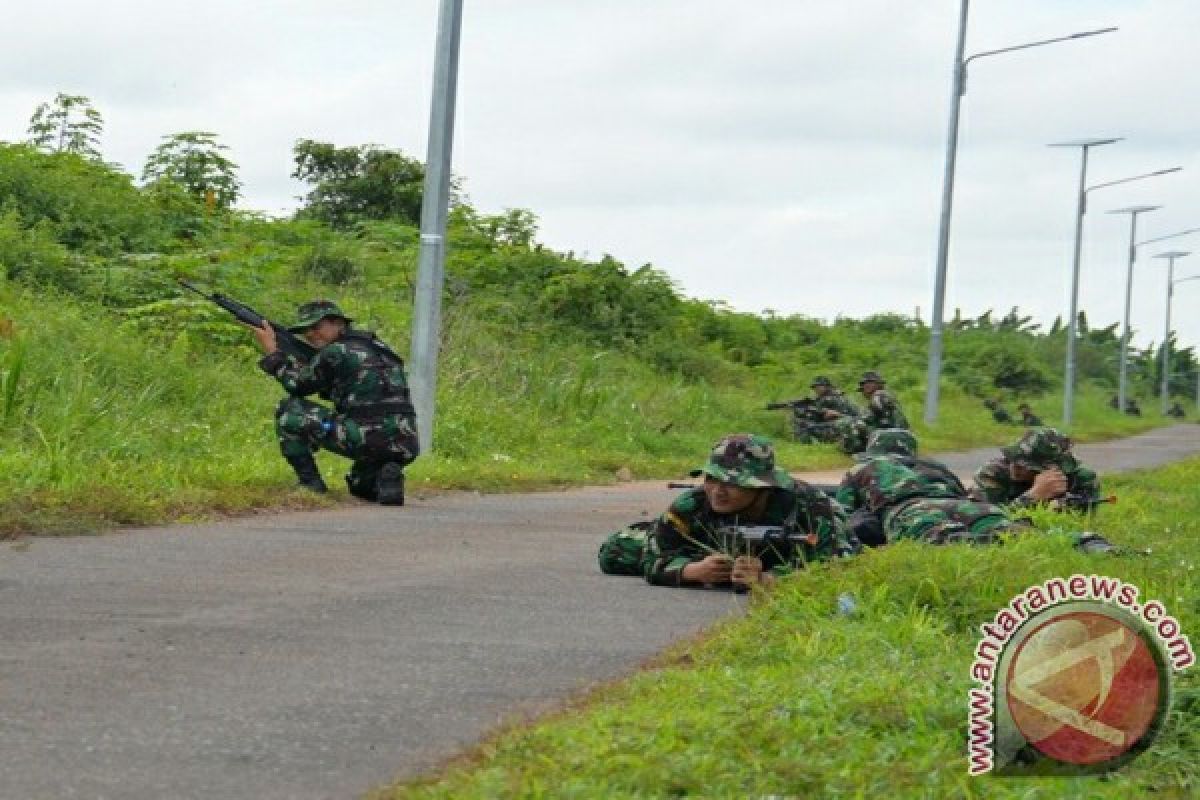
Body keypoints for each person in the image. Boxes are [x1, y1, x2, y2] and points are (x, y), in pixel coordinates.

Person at [246, 299, 419, 505]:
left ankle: (310, 484)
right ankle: (387, 474)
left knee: (289, 410)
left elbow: (297, 386)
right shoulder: (378, 347)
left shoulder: (335, 351)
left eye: (316, 326)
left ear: (338, 323)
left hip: (365, 437)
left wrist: (273, 353)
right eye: (305, 330)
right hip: (405, 442)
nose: (310, 334)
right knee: (359, 487)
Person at [638, 434, 858, 589]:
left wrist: (768, 580)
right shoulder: (693, 503)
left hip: (789, 558)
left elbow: (834, 569)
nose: (717, 491)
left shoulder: (809, 506)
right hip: (706, 549)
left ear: (763, 486)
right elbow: (653, 557)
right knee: (616, 551)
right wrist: (693, 571)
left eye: (732, 484)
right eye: (711, 479)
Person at [836, 429, 1023, 546]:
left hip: (912, 510)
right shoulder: (934, 466)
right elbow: (962, 491)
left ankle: (984, 542)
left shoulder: (863, 467)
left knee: (941, 543)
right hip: (967, 505)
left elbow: (843, 515)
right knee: (1011, 534)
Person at [970, 428, 1100, 511]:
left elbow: (1082, 522)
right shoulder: (992, 473)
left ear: (1052, 470)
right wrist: (1033, 496)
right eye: (1013, 458)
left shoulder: (1081, 479)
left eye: (1026, 465)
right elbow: (986, 522)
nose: (1015, 466)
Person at [836, 370, 909, 454]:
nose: (866, 386)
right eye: (864, 384)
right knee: (854, 423)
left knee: (850, 423)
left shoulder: (879, 394)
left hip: (895, 437)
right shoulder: (884, 396)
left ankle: (853, 450)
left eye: (870, 382)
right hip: (898, 437)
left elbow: (869, 415)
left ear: (879, 385)